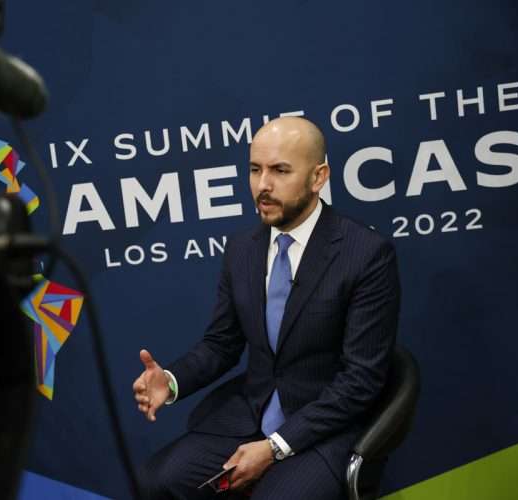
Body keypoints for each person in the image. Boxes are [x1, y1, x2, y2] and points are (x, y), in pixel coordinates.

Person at [133, 116, 401, 499]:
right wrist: (171, 381)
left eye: (280, 171)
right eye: (255, 170)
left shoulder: (366, 255)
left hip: (322, 430)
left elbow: (360, 381)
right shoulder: (243, 249)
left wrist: (275, 446)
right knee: (154, 481)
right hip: (249, 415)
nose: (263, 185)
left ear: (318, 176)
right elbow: (221, 344)